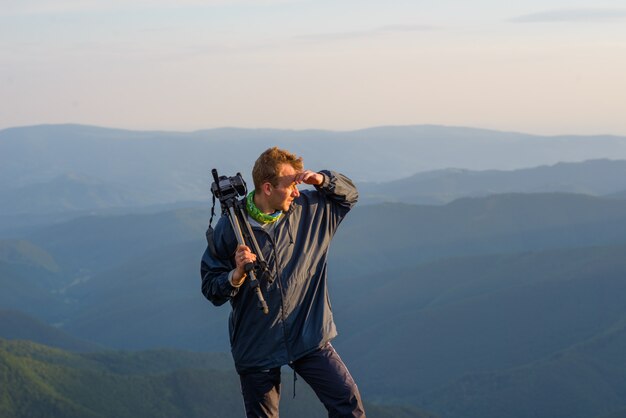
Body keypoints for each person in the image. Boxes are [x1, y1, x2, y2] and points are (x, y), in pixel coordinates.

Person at [201, 147, 366, 418]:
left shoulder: (311, 211)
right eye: (291, 185)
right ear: (267, 188)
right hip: (257, 344)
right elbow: (211, 287)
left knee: (347, 404)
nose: (297, 191)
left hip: (308, 333)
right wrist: (237, 275)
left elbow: (350, 195)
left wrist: (322, 180)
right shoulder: (231, 228)